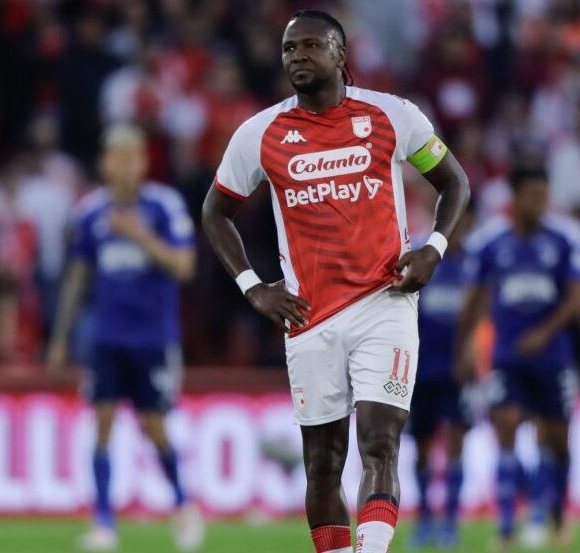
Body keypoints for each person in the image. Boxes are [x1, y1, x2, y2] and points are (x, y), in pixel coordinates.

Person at [201, 10, 470, 553]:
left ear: (340, 54)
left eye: (309, 46)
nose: (296, 57)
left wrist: (433, 251)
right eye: (287, 48)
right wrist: (254, 286)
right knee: (322, 464)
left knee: (379, 442)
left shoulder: (392, 116)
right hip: (307, 315)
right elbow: (215, 213)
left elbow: (455, 183)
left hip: (385, 302)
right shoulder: (261, 134)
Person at [47, 124, 204, 552]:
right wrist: (60, 337)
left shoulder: (163, 207)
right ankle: (103, 521)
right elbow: (77, 277)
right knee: (100, 422)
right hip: (106, 337)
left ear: (144, 162)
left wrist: (139, 236)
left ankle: (182, 503)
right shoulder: (89, 212)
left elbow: (184, 268)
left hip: (153, 338)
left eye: (133, 157)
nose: (125, 165)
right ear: (104, 163)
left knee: (154, 427)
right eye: (117, 157)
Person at [456, 168, 580, 548]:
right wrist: (464, 349)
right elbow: (472, 302)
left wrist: (551, 334)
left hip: (554, 357)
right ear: (515, 198)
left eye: (544, 196)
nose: (540, 204)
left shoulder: (564, 239)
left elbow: (577, 296)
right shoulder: (490, 243)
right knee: (505, 427)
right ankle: (506, 526)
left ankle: (556, 515)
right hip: (506, 356)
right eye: (533, 196)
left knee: (556, 438)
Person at [408, 202, 476, 548]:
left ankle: (450, 519)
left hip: (458, 370)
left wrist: (476, 352)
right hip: (421, 367)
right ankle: (423, 517)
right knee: (421, 446)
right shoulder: (422, 258)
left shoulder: (476, 264)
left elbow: (487, 315)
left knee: (456, 442)